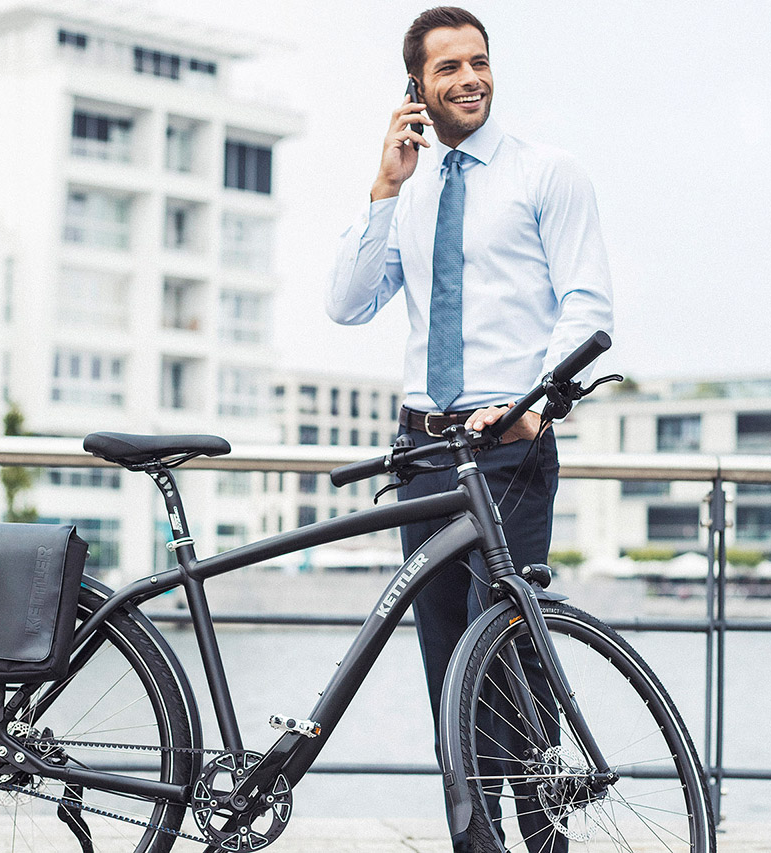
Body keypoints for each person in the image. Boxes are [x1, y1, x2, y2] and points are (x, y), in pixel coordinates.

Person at [326, 7, 613, 851]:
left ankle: (542, 837)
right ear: (415, 86)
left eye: (479, 62)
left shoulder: (547, 173)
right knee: (447, 662)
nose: (470, 79)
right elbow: (346, 305)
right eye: (448, 68)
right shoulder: (409, 194)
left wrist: (536, 397)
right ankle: (474, 843)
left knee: (513, 654)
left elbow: (587, 304)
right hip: (421, 452)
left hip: (509, 445)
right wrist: (382, 186)